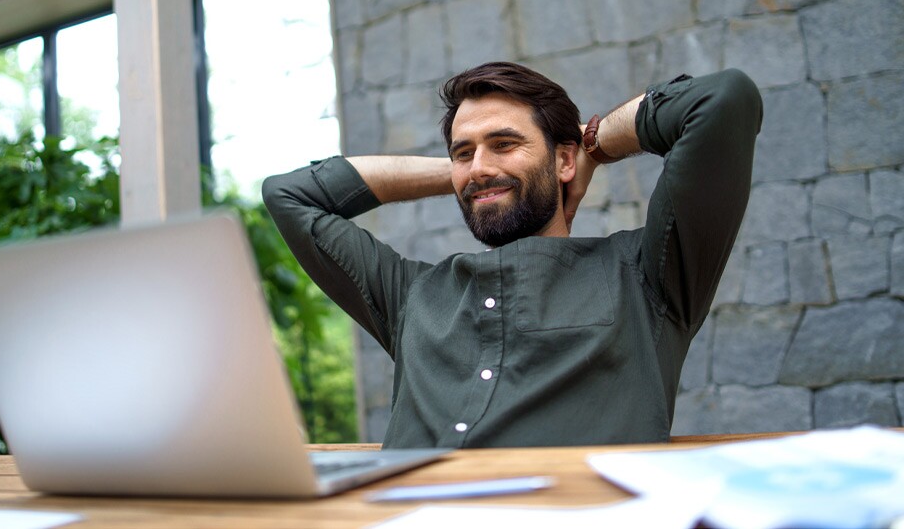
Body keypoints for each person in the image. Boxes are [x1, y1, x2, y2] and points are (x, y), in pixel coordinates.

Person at [263, 63, 762, 448]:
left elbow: (722, 100)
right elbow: (288, 195)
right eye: (464, 151)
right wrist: (470, 174)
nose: (478, 166)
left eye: (504, 143)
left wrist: (594, 146)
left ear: (562, 158)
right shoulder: (411, 296)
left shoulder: (648, 278)